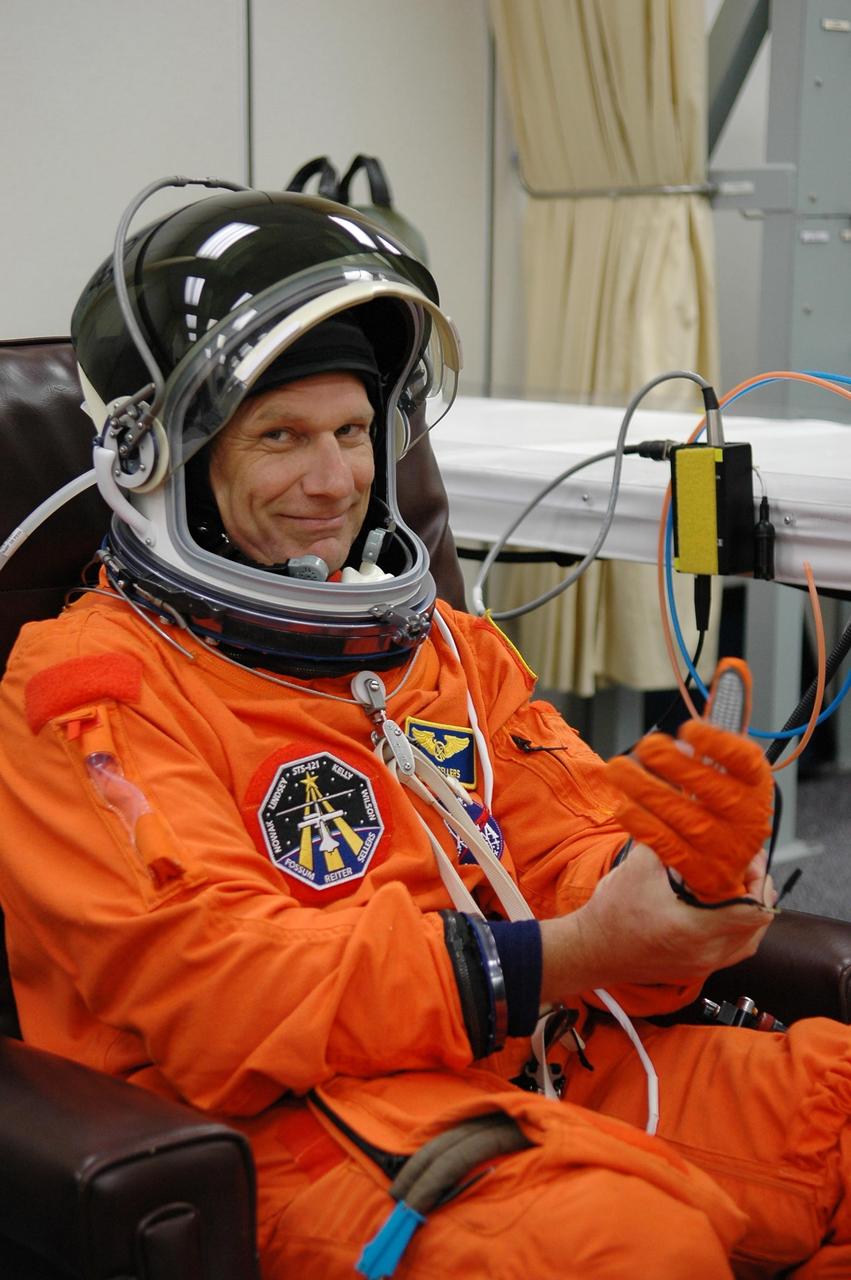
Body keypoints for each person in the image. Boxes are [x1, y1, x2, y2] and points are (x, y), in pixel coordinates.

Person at [0, 182, 849, 1280]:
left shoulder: (446, 648)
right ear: (166, 462)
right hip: (287, 1120)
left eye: (354, 430)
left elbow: (558, 851)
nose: (335, 479)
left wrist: (677, 876)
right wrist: (559, 954)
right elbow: (213, 987)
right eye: (281, 437)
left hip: (534, 1049)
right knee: (632, 1247)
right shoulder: (92, 685)